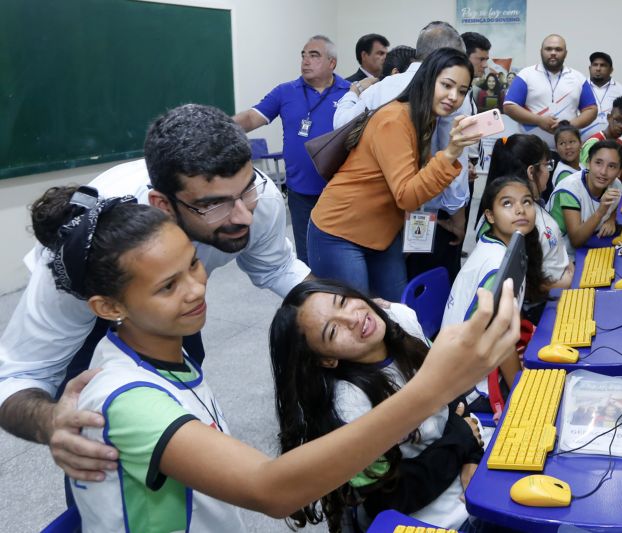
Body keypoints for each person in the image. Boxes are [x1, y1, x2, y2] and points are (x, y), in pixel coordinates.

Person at [28, 186, 519, 531]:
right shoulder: (126, 397)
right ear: (109, 308)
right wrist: (431, 387)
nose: (197, 289)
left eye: (194, 265)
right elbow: (271, 489)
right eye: (168, 286)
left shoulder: (161, 358)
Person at [0, 104, 310, 482]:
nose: (243, 215)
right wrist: (52, 422)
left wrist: (338, 299)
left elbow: (276, 266)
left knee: (182, 384)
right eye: (213, 205)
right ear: (162, 205)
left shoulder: (253, 199)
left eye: (246, 191)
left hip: (161, 298)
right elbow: (20, 374)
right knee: (102, 426)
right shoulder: (89, 250)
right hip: (88, 296)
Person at [271, 279, 484, 531]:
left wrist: (471, 453)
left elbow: (451, 392)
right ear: (327, 360)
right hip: (427, 516)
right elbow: (389, 497)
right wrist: (462, 437)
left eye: (343, 301)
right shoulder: (348, 407)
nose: (352, 318)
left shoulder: (400, 320)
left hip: (462, 474)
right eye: (333, 331)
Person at [308, 48, 479, 301]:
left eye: (462, 91)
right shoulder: (395, 119)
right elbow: (407, 195)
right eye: (447, 85)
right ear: (428, 78)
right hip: (340, 231)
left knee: (398, 314)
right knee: (357, 316)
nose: (454, 97)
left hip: (382, 233)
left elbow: (411, 179)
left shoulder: (423, 118)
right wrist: (451, 153)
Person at [233, 35, 350, 264]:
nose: (306, 61)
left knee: (340, 254)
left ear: (331, 63)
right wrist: (213, 126)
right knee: (306, 256)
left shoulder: (350, 92)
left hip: (339, 191)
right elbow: (250, 118)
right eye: (303, 55)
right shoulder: (285, 92)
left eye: (314, 55)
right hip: (300, 192)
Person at [442, 176, 544, 413]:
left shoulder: (495, 244)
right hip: (469, 387)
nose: (520, 209)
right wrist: (522, 396)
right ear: (489, 215)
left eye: (527, 202)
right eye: (507, 204)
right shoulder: (498, 265)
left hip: (470, 363)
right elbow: (500, 339)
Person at [481, 134, 573, 292]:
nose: (548, 172)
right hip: (543, 302)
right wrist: (562, 283)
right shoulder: (517, 220)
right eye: (546, 165)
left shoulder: (535, 204)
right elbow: (515, 282)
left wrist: (567, 264)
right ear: (531, 172)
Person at [503, 34, 597, 148]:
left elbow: (591, 109)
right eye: (548, 49)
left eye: (558, 49)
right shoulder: (526, 75)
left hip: (567, 151)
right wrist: (539, 121)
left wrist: (568, 126)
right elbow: (509, 106)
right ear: (541, 51)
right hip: (531, 149)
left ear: (565, 53)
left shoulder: (578, 78)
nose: (553, 52)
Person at [547, 140, 622, 257]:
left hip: (587, 243)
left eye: (612, 166)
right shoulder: (571, 189)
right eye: (598, 163)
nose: (603, 172)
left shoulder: (616, 185)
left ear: (619, 172)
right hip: (560, 254)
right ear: (588, 163)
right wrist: (600, 211)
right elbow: (576, 241)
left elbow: (613, 206)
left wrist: (611, 219)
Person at [579, 96, 622, 182]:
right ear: (609, 117)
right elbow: (584, 179)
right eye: (617, 120)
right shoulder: (593, 144)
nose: (621, 126)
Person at [581, 51, 622, 139]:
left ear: (611, 70)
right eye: (595, 65)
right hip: (583, 147)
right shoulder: (579, 88)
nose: (598, 68)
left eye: (603, 65)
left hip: (615, 147)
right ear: (589, 68)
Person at [553, 121, 582, 187]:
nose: (568, 147)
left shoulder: (581, 166)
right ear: (556, 148)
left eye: (571, 142)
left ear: (580, 143)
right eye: (562, 143)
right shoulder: (564, 175)